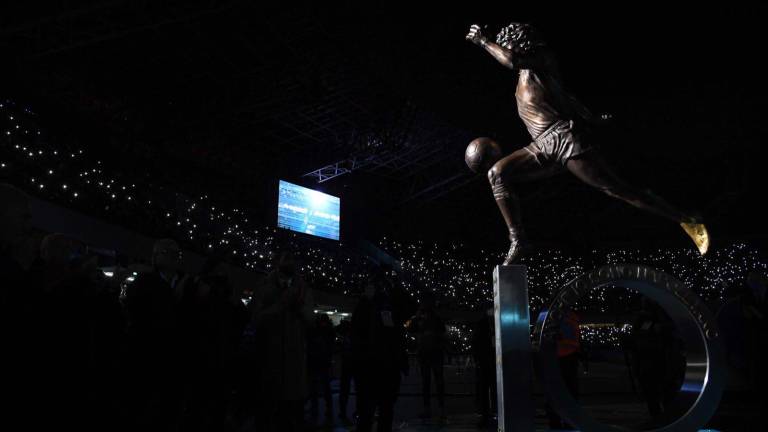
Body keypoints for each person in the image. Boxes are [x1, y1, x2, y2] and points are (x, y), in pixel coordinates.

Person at [464, 23, 709, 264]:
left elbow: (511, 60)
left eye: (507, 46)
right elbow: (566, 98)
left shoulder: (542, 58)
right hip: (541, 145)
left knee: (617, 189)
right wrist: (591, 117)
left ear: (520, 44)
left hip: (565, 140)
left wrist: (484, 41)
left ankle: (686, 218)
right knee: (498, 174)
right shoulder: (525, 79)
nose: (504, 51)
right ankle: (519, 241)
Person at [250, 251, 315, 432]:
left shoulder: (303, 289)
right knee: (265, 420)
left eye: (294, 260)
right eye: (286, 259)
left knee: (290, 421)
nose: (290, 264)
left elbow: (311, 320)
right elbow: (255, 319)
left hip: (293, 372)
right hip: (268, 368)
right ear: (277, 262)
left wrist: (299, 305)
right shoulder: (264, 285)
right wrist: (281, 305)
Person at [351, 270, 409, 432]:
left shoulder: (380, 305)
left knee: (376, 411)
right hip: (376, 366)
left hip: (379, 366)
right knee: (376, 411)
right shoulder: (372, 306)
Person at [409, 295, 447, 418]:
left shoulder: (421, 318)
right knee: (438, 381)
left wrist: (416, 317)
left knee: (427, 382)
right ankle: (440, 409)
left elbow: (409, 328)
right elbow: (442, 331)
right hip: (434, 353)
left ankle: (428, 409)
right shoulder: (436, 318)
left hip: (426, 353)